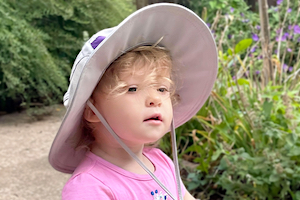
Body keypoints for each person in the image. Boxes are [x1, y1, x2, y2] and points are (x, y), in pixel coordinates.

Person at [49, 3, 218, 200]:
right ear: (93, 111)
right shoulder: (89, 187)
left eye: (162, 89)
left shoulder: (161, 162)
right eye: (132, 89)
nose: (155, 99)